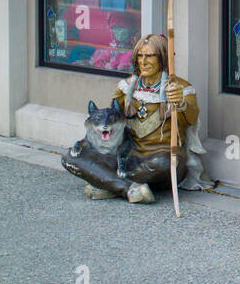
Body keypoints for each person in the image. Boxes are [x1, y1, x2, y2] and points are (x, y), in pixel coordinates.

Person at [63, 33, 209, 201]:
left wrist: (180, 101)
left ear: (163, 57)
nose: (143, 61)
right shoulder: (125, 88)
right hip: (127, 159)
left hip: (160, 162)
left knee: (166, 163)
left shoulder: (180, 88)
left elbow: (192, 117)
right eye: (140, 55)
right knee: (70, 157)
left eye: (149, 56)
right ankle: (127, 188)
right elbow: (111, 122)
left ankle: (108, 182)